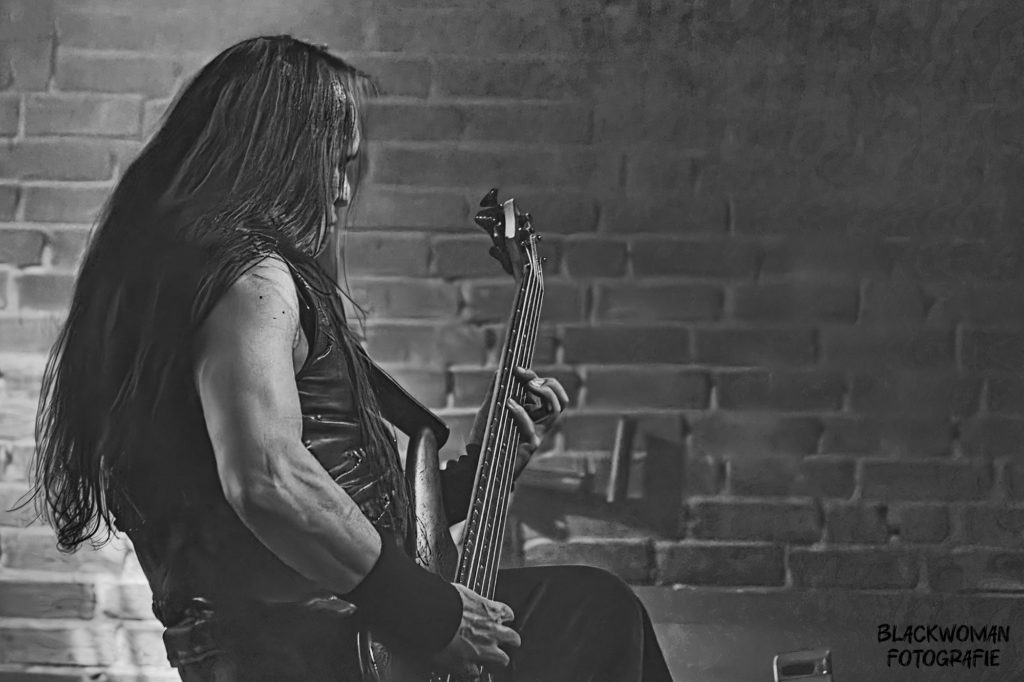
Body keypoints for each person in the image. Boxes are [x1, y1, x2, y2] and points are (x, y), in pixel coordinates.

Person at [30, 36, 673, 682]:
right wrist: (431, 614)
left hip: (319, 632)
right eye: (334, 164)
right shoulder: (250, 280)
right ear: (276, 157)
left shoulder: (205, 280)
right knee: (594, 612)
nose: (342, 193)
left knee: (595, 608)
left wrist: (485, 468)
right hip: (314, 647)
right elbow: (268, 478)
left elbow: (344, 510)